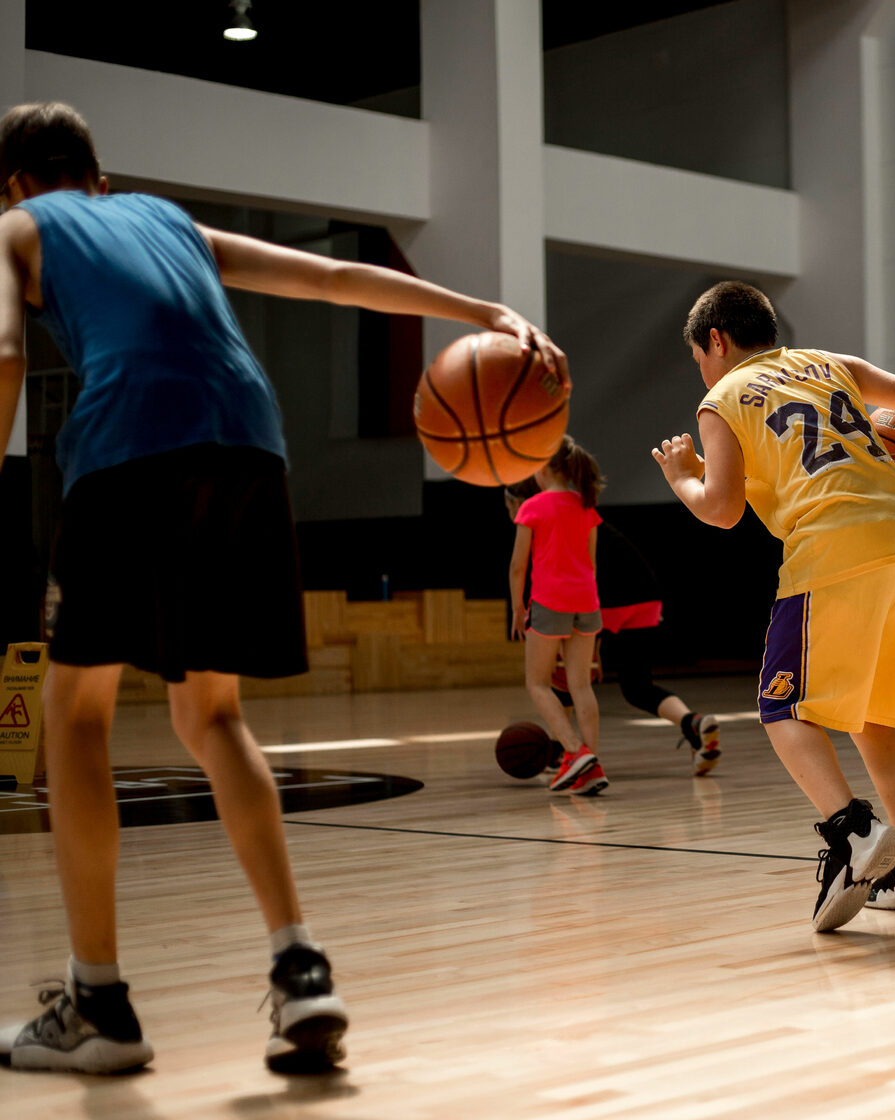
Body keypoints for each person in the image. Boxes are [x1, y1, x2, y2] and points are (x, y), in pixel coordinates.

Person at [0, 102, 568, 1075]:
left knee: (77, 716)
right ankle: (300, 966)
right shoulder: (170, 222)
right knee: (212, 714)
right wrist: (483, 312)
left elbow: (8, 351)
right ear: (97, 175)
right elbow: (329, 277)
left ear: (13, 183)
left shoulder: (15, 228)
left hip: (127, 447)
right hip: (250, 444)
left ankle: (99, 1000)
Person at [652, 280, 895, 931]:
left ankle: (853, 830)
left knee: (780, 706)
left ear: (716, 340)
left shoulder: (722, 397)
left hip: (834, 545)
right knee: (874, 716)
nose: (701, 368)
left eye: (699, 355)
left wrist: (683, 477)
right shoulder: (832, 365)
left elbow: (723, 509)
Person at [504, 480, 723, 775]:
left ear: (518, 504)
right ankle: (692, 722)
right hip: (646, 595)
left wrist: (592, 642)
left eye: (508, 508)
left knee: (564, 678)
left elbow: (580, 572)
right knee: (637, 686)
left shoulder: (542, 519)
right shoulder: (578, 508)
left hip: (601, 599)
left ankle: (564, 750)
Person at [509, 438, 610, 796]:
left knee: (537, 683)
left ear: (543, 468)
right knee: (580, 686)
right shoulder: (586, 506)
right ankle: (592, 763)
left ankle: (574, 750)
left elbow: (519, 566)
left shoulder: (533, 507)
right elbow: (593, 563)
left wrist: (518, 608)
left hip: (550, 601)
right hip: (587, 600)